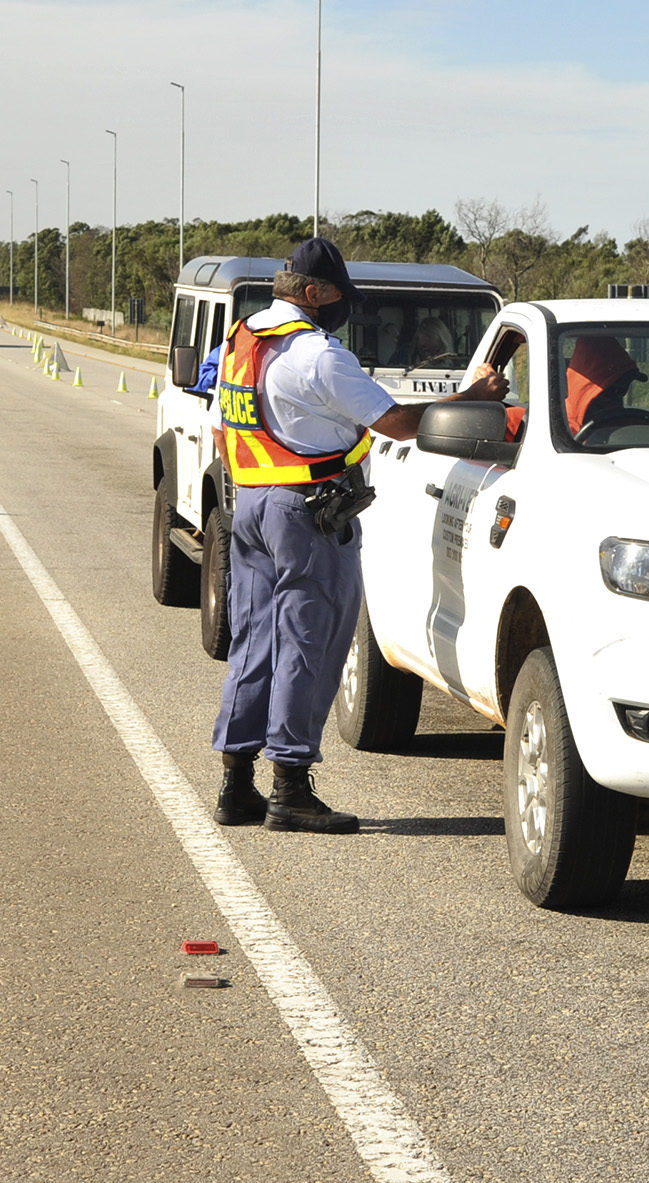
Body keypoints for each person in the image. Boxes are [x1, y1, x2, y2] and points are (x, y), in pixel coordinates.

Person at [210, 238, 507, 832]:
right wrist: (472, 397)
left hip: (253, 505)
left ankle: (235, 785)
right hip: (307, 513)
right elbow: (395, 421)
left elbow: (222, 428)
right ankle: (290, 788)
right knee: (308, 644)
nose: (345, 305)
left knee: (254, 642)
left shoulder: (243, 340)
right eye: (340, 294)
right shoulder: (317, 354)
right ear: (314, 292)